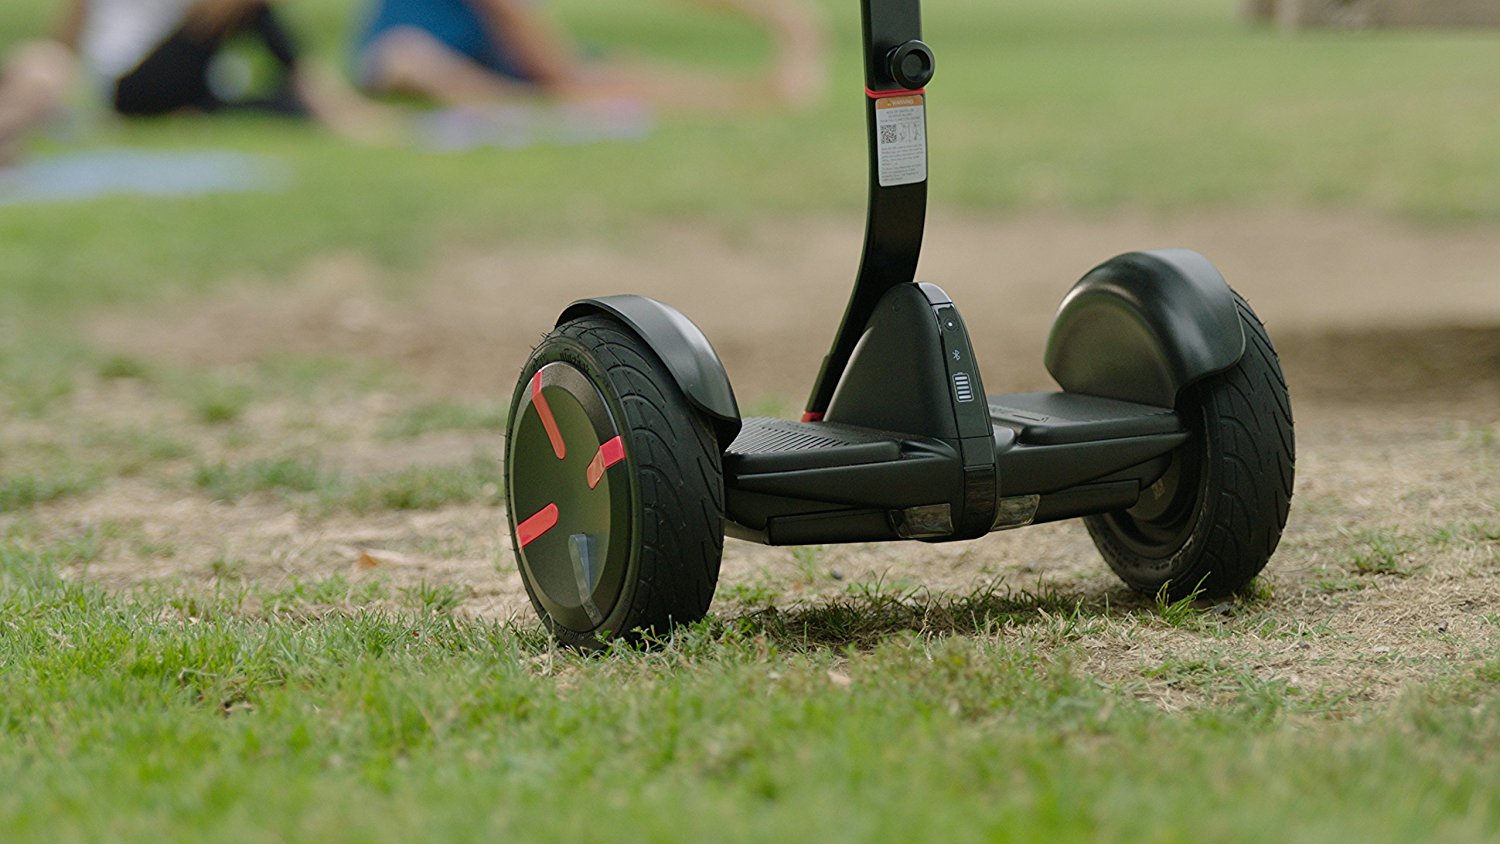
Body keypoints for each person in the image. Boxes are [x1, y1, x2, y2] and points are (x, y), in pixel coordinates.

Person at [0, 0, 382, 163]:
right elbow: (66, 39)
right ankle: (335, 106)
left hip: (188, 83)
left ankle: (322, 104)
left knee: (285, 107)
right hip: (132, 85)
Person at [353, 0, 826, 112]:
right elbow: (552, 69)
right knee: (406, 60)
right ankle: (759, 93)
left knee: (606, 78)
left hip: (487, 57)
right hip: (426, 56)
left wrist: (783, 21)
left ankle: (760, 92)